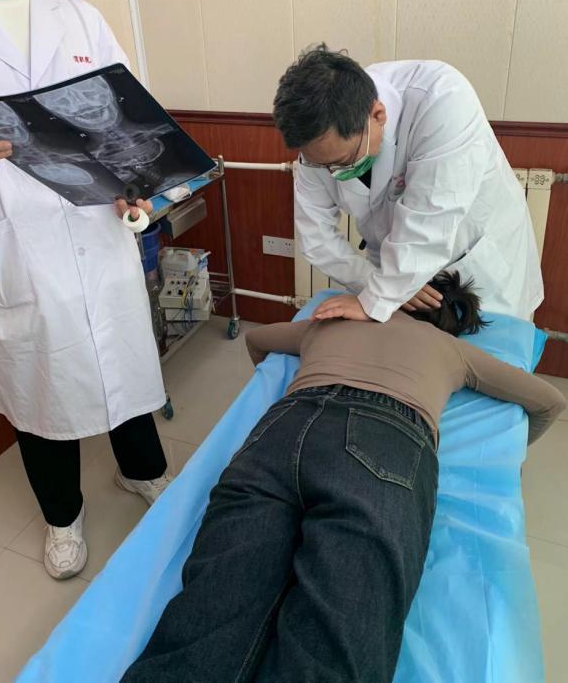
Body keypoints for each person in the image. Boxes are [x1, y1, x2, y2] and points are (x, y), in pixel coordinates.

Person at [121, 273, 565, 683]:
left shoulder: (331, 320)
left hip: (286, 427)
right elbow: (548, 401)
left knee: (213, 602)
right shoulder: (451, 349)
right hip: (385, 440)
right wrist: (504, 456)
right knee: (336, 636)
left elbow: (257, 341)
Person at [0, 0, 171, 580]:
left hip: (96, 229)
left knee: (122, 360)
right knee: (39, 385)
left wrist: (137, 176)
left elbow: (128, 118)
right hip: (14, 249)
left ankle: (142, 470)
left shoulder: (79, 15)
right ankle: (62, 517)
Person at [272, 45, 543, 325]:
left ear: (377, 115)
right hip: (395, 267)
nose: (333, 173)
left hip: (474, 260)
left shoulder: (443, 99)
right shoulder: (317, 146)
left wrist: (381, 295)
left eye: (342, 162)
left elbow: (431, 221)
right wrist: (374, 284)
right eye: (322, 166)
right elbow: (315, 235)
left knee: (471, 347)